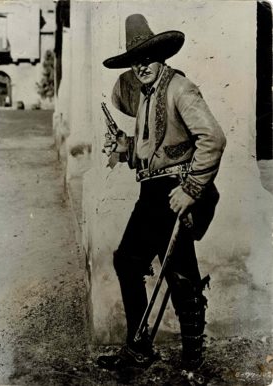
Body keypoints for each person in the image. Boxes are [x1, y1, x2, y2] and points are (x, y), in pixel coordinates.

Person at [98, 14, 226, 372]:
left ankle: (193, 361)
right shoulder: (147, 93)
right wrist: (123, 145)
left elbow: (213, 139)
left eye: (148, 57)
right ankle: (140, 348)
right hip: (153, 193)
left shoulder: (179, 88)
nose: (141, 66)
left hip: (175, 193)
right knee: (129, 261)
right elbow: (153, 149)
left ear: (162, 56)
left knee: (180, 275)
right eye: (135, 59)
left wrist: (191, 189)